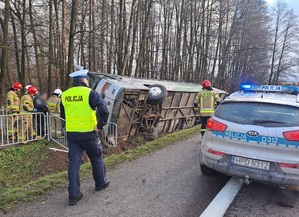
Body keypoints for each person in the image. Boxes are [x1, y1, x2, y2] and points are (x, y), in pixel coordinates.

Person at [61, 67, 110, 205]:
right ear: (83, 80)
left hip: (72, 135)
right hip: (89, 134)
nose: (88, 81)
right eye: (87, 79)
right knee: (96, 157)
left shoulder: (65, 95)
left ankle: (74, 195)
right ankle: (100, 183)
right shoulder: (91, 93)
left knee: (74, 164)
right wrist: (100, 126)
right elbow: (104, 110)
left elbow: (63, 115)